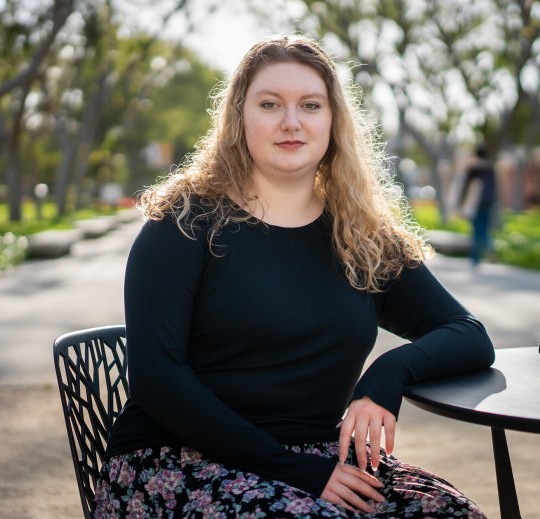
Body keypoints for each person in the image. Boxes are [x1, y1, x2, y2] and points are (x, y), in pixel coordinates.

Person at [93, 34, 495, 518]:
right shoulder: (184, 222)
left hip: (317, 458)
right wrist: (293, 472)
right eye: (270, 104)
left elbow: (469, 336)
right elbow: (157, 381)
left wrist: (388, 374)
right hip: (173, 460)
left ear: (333, 122)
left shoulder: (360, 235)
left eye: (310, 105)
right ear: (239, 118)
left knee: (449, 512)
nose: (291, 122)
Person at [460, 144, 497, 267]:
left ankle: (476, 258)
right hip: (487, 202)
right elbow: (493, 186)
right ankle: (489, 250)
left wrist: (462, 202)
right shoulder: (490, 168)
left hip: (474, 204)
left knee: (476, 229)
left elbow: (465, 186)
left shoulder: (473, 169)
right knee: (485, 229)